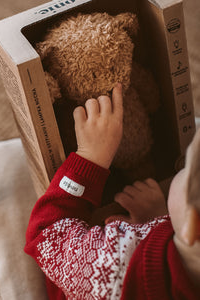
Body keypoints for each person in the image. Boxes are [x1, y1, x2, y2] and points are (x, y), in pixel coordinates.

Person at [24, 83, 200, 299]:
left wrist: (90, 160)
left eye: (186, 168)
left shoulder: (112, 268)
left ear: (193, 226)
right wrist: (159, 219)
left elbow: (46, 234)